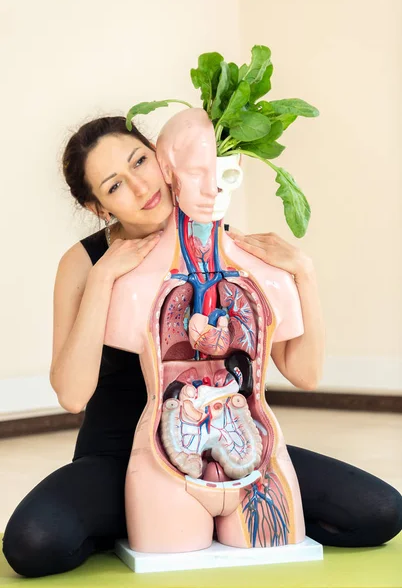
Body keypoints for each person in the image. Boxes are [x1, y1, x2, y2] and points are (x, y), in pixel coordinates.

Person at [2, 116, 402, 578]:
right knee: (34, 543)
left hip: (230, 449)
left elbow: (305, 374)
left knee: (380, 510)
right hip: (117, 459)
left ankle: (203, 518)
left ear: (161, 157)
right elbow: (72, 395)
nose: (140, 186)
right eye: (115, 186)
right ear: (98, 207)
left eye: (140, 161)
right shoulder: (85, 262)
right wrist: (105, 277)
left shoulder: (222, 244)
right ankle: (139, 522)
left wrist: (304, 273)